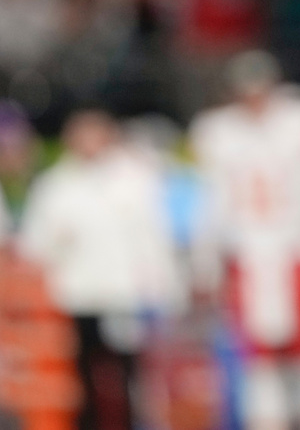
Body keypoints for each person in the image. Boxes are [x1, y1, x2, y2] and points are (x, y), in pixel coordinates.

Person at [188, 50, 300, 430]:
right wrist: (205, 266)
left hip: (299, 250)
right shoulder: (218, 132)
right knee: (259, 360)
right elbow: (211, 204)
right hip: (249, 255)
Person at [18, 108, 182, 430]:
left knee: (128, 374)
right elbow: (33, 246)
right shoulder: (55, 185)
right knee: (83, 375)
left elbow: (155, 236)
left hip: (124, 294)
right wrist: (60, 242)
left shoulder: (134, 178)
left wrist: (165, 286)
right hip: (77, 296)